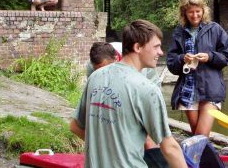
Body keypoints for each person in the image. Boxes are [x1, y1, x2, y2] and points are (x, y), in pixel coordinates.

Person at [70, 20, 187, 168]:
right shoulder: (148, 89)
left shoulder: (95, 77)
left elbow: (75, 126)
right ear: (138, 47)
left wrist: (104, 149)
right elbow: (169, 147)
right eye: (156, 47)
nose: (161, 52)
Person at [167, 0, 228, 137]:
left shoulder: (215, 29)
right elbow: (171, 64)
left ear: (203, 10)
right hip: (188, 90)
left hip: (210, 90)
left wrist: (209, 57)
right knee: (197, 137)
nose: (195, 15)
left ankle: (195, 159)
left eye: (198, 11)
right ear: (184, 13)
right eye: (190, 12)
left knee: (201, 136)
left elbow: (226, 57)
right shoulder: (179, 32)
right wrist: (183, 58)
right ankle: (200, 159)